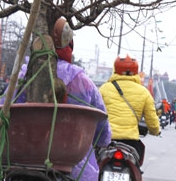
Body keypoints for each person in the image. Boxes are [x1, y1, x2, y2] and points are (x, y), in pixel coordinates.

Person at [10, 18, 111, 181]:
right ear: (69, 45)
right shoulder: (82, 81)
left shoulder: (24, 75)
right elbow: (103, 128)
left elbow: (4, 109)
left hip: (24, 160)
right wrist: (104, 141)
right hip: (75, 168)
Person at [99, 54, 160, 163]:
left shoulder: (104, 89)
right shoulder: (144, 92)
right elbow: (152, 120)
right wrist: (155, 131)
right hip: (131, 142)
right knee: (136, 168)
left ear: (115, 69)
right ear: (136, 71)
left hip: (106, 139)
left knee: (96, 166)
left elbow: (95, 112)